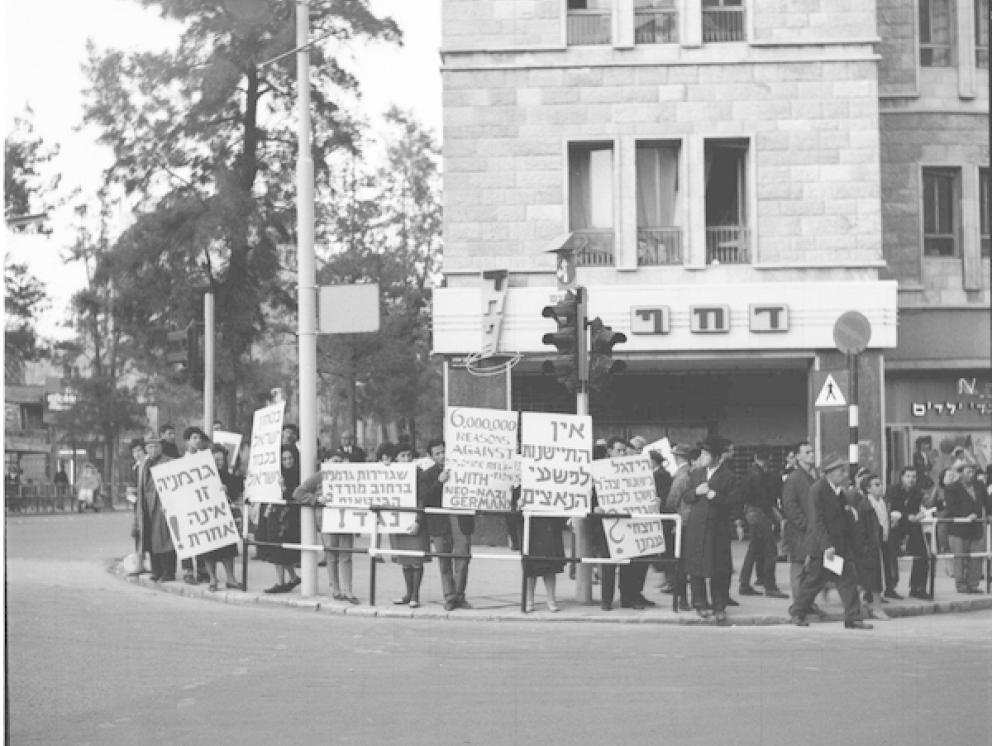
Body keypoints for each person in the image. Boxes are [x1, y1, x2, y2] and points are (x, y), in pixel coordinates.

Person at [792, 454, 872, 630]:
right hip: (824, 548)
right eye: (839, 471)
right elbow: (817, 520)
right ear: (828, 473)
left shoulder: (838, 491)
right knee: (814, 581)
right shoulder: (818, 490)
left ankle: (853, 617)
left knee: (847, 580)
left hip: (837, 547)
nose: (843, 474)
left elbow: (842, 517)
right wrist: (826, 546)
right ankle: (797, 611)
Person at [683, 436, 740, 623]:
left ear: (716, 457)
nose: (703, 457)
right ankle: (699, 603)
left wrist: (714, 495)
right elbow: (686, 496)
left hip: (717, 528)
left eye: (706, 454)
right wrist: (696, 492)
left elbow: (733, 503)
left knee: (719, 568)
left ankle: (719, 605)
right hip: (697, 526)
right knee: (696, 566)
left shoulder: (729, 477)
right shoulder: (696, 474)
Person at [294, 449, 359, 602]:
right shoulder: (319, 476)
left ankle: (348, 590)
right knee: (331, 555)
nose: (338, 464)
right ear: (326, 462)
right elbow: (298, 493)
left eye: (340, 461)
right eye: (335, 461)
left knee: (346, 555)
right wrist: (316, 499)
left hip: (346, 519)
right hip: (327, 520)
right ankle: (335, 589)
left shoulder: (349, 475)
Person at [607, 436, 655, 609]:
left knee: (640, 561)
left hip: (639, 523)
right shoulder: (606, 470)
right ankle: (627, 597)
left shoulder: (639, 470)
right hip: (619, 524)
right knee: (628, 563)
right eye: (622, 451)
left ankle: (636, 593)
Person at [739, 447, 788, 599]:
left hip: (751, 512)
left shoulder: (750, 473)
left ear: (755, 457)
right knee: (770, 550)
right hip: (760, 513)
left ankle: (744, 583)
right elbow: (764, 499)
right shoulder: (761, 475)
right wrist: (774, 516)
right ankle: (770, 586)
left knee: (753, 550)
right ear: (769, 459)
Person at [419, 439, 463, 611]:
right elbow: (426, 498)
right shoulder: (427, 475)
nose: (442, 456)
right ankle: (449, 596)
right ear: (430, 456)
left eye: (444, 451)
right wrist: (439, 482)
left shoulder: (460, 469)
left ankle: (460, 594)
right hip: (439, 521)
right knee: (444, 561)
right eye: (437, 453)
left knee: (462, 558)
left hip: (458, 519)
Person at [389, 443, 430, 608]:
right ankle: (407, 592)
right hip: (398, 520)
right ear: (396, 458)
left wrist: (418, 520)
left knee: (416, 560)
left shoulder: (419, 474)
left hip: (414, 521)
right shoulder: (391, 473)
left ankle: (415, 595)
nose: (406, 459)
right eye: (402, 456)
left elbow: (423, 499)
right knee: (405, 559)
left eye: (408, 455)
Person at [782, 440, 819, 606]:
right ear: (797, 456)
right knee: (798, 568)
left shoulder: (813, 476)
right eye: (807, 452)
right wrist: (804, 524)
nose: (811, 455)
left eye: (812, 452)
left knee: (810, 569)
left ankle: (807, 603)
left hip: (811, 530)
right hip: (799, 531)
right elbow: (789, 506)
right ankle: (799, 606)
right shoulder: (794, 478)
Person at [201, 444, 243, 591]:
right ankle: (213, 579)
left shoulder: (229, 477)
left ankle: (231, 578)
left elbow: (236, 496)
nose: (218, 462)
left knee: (228, 550)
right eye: (215, 459)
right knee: (209, 551)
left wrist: (228, 490)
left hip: (224, 518)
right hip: (207, 518)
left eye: (221, 459)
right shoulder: (201, 477)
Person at [260, 446, 302, 593]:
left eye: (290, 458)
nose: (287, 461)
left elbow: (297, 493)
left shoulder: (299, 474)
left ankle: (280, 582)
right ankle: (292, 577)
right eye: (284, 459)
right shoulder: (277, 475)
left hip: (289, 516)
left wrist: (285, 489)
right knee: (277, 548)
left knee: (281, 548)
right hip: (276, 513)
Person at [135, 433, 176, 582]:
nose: (153, 450)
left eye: (156, 446)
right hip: (147, 505)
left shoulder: (169, 462)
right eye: (150, 447)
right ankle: (156, 570)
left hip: (161, 504)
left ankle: (168, 571)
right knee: (150, 539)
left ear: (161, 447)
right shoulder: (144, 464)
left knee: (165, 539)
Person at [885, 466, 930, 600]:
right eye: (908, 476)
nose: (911, 479)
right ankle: (890, 586)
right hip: (896, 525)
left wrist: (920, 515)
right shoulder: (893, 490)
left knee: (923, 553)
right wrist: (906, 516)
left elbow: (918, 508)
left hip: (912, 525)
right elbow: (892, 508)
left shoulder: (918, 493)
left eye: (914, 477)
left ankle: (918, 587)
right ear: (902, 477)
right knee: (891, 553)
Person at [943, 459, 988, 594]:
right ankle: (961, 584)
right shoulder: (951, 488)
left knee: (976, 557)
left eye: (973, 471)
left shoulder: (980, 486)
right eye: (968, 471)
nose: (971, 474)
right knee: (960, 557)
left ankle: (973, 584)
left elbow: (987, 502)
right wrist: (966, 516)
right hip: (959, 529)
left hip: (976, 527)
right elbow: (951, 507)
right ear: (961, 473)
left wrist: (989, 514)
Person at [853, 473, 888, 620]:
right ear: (868, 489)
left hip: (880, 543)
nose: (880, 488)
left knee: (872, 578)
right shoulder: (865, 506)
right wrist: (864, 547)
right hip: (868, 546)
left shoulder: (882, 503)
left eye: (880, 484)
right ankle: (876, 607)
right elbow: (861, 530)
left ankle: (863, 604)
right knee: (872, 579)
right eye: (876, 485)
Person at [664, 443, 694, 612]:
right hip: (692, 521)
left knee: (680, 563)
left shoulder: (681, 476)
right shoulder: (694, 473)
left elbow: (672, 500)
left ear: (676, 457)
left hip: (681, 522)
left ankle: (682, 598)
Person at [522, 510, 566, 613]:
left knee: (550, 564)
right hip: (531, 522)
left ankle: (551, 600)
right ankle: (529, 600)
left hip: (549, 520)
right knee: (530, 566)